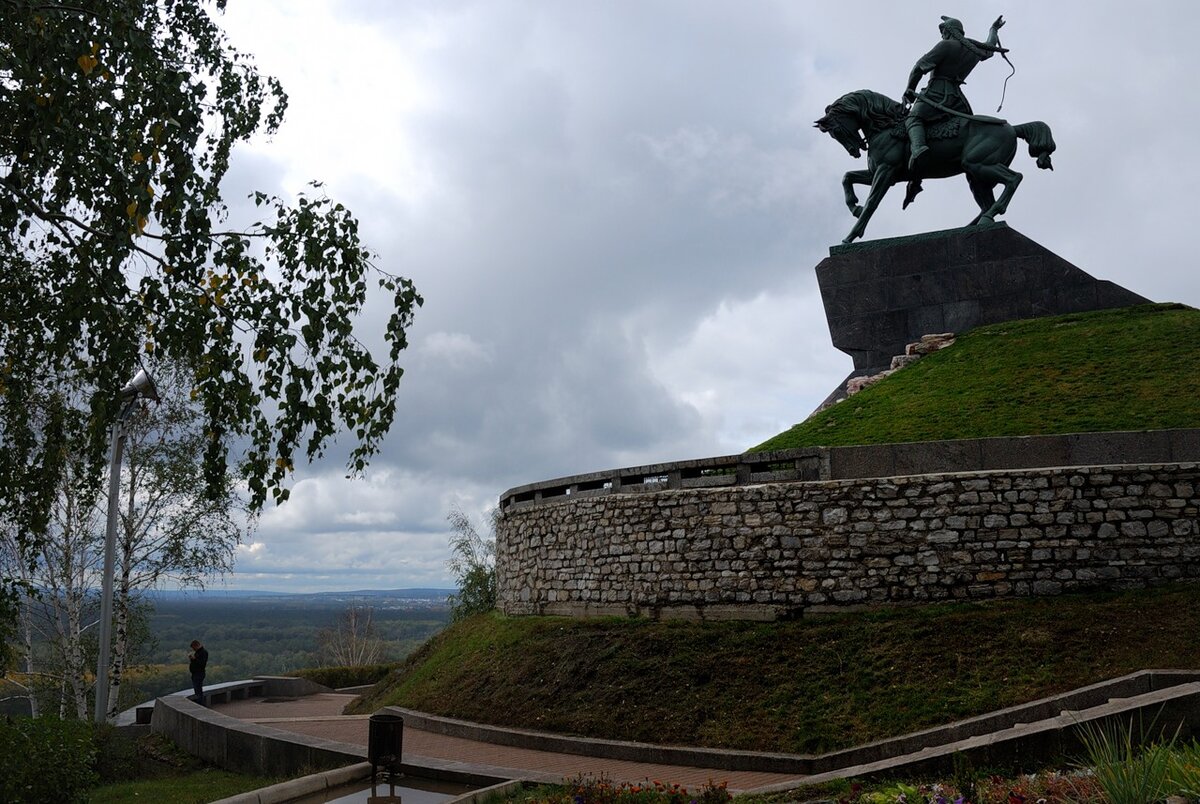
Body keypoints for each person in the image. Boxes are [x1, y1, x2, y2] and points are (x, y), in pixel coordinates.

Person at [903, 15, 1007, 170]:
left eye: (943, 31)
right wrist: (993, 30)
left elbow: (919, 68)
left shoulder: (946, 45)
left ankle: (918, 148)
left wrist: (909, 90)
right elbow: (990, 46)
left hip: (937, 94)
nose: (942, 35)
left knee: (913, 119)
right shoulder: (973, 49)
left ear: (949, 31)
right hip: (957, 100)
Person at [188, 639, 209, 705]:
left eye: (193, 648)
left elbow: (202, 664)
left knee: (198, 690)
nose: (193, 650)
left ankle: (201, 704)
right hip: (195, 674)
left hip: (199, 674)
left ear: (196, 646)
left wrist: (194, 659)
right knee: (197, 690)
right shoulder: (198, 652)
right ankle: (200, 703)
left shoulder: (203, 652)